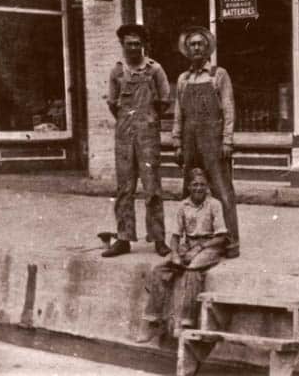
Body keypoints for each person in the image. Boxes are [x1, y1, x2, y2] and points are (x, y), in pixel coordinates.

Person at [102, 24, 171, 258]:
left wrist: (147, 120)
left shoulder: (155, 70)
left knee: (152, 189)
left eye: (137, 43)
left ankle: (158, 238)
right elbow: (113, 104)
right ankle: (123, 239)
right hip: (124, 137)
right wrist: (127, 124)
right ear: (122, 45)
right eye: (128, 43)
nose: (133, 47)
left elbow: (164, 101)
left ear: (143, 45)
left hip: (148, 136)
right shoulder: (117, 72)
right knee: (124, 189)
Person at [171, 26, 241, 258]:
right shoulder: (183, 79)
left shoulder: (218, 75)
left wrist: (227, 141)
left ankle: (230, 242)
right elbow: (179, 114)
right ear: (187, 50)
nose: (197, 48)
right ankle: (187, 240)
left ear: (208, 47)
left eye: (201, 43)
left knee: (222, 189)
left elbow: (229, 109)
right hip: (190, 140)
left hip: (213, 139)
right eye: (192, 44)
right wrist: (177, 142)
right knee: (189, 189)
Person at [139, 168, 227, 343]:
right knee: (161, 270)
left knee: (192, 271)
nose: (198, 188)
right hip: (188, 245)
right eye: (195, 184)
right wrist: (174, 253)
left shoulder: (214, 204)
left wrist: (200, 247)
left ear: (207, 186)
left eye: (202, 185)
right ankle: (153, 321)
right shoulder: (183, 205)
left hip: (210, 245)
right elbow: (176, 236)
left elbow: (221, 236)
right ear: (188, 187)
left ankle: (186, 324)